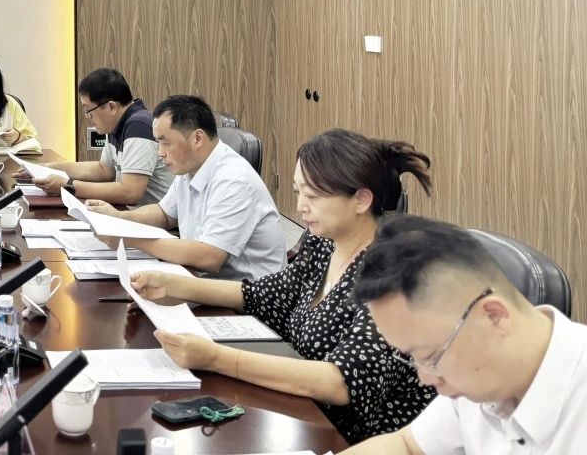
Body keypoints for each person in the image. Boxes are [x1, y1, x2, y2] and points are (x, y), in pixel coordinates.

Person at [128, 128, 436, 443]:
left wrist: (215, 359)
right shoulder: (324, 242)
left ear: (361, 199)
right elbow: (265, 294)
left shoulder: (391, 273)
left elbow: (342, 382)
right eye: (297, 192)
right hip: (305, 411)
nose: (301, 206)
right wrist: (176, 286)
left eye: (313, 196)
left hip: (360, 439)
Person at [344, 215, 587, 454]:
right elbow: (406, 445)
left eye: (430, 357)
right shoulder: (477, 379)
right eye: (413, 359)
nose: (425, 378)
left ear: (494, 316)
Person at [85, 94, 284, 279]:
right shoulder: (191, 167)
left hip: (246, 295)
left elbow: (210, 256)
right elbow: (164, 214)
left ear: (197, 139)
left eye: (165, 143)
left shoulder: (234, 180)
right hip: (202, 280)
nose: (160, 153)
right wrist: (117, 218)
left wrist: (128, 239)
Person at [33, 68, 170, 206]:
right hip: (129, 214)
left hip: (153, 219)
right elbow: (104, 170)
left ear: (111, 107)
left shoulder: (139, 126)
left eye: (88, 110)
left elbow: (130, 193)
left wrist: (69, 186)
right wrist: (48, 168)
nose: (87, 116)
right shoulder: (117, 124)